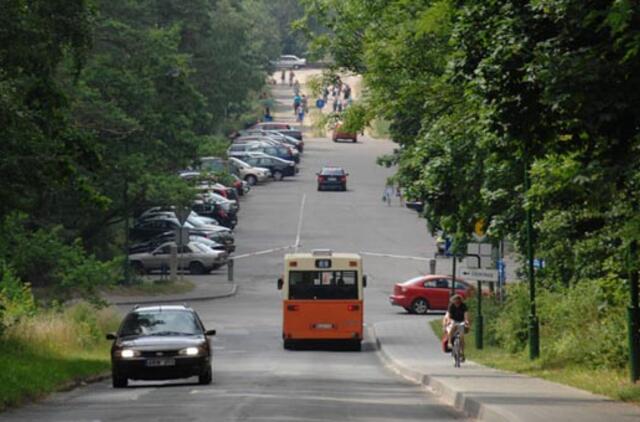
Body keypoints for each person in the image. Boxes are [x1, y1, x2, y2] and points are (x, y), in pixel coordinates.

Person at [442, 294, 470, 361]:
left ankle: (462, 353)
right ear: (453, 301)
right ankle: (449, 342)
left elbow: (466, 315)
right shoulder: (451, 306)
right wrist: (448, 321)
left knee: (462, 337)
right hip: (453, 320)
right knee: (453, 326)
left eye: (458, 301)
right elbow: (448, 315)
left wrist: (466, 321)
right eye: (455, 301)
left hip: (461, 321)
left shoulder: (463, 306)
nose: (457, 303)